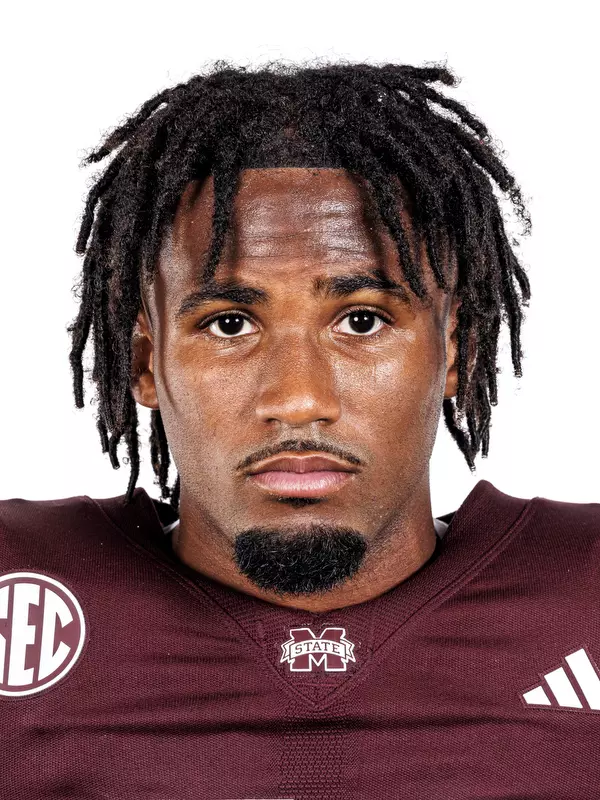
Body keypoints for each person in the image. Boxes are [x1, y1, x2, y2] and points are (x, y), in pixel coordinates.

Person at [0, 62, 598, 800]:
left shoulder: (585, 592)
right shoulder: (21, 593)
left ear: (457, 353)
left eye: (362, 320)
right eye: (229, 324)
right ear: (146, 363)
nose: (299, 399)